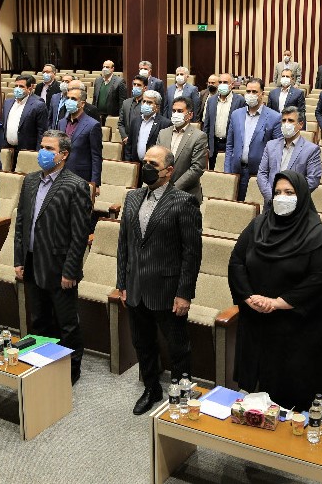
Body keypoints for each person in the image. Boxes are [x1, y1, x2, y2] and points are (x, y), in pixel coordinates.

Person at [228, 171, 322, 410]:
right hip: (257, 319)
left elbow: (319, 281)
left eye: (289, 193)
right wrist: (248, 297)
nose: (281, 197)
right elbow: (237, 261)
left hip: (296, 328)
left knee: (289, 400)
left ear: (302, 197)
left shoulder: (319, 238)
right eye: (277, 192)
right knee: (254, 394)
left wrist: (276, 303)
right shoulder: (259, 225)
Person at [116, 145, 202, 415]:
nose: (147, 168)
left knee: (178, 347)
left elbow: (191, 254)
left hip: (167, 289)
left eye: (153, 164)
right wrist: (122, 284)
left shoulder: (184, 202)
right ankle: (152, 388)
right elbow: (124, 245)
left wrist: (184, 293)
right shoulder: (132, 197)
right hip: (136, 287)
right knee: (142, 343)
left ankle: (181, 393)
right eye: (145, 162)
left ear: (169, 170)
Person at [14, 131, 93, 384]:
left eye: (49, 149)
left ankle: (71, 370)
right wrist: (18, 259)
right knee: (38, 319)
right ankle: (43, 361)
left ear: (64, 154)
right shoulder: (30, 180)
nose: (43, 152)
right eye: (42, 147)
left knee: (67, 323)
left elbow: (79, 235)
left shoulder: (76, 185)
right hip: (31, 261)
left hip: (60, 267)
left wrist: (71, 270)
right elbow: (21, 223)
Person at [224, 79, 281, 201]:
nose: (251, 94)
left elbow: (277, 151)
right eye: (248, 91)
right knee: (234, 206)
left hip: (259, 174)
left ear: (262, 94)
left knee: (253, 208)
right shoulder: (236, 114)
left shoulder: (274, 117)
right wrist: (227, 171)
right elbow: (229, 146)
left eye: (254, 92)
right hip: (236, 171)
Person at [257, 106, 321, 206]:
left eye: (290, 120)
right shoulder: (270, 145)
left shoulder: (311, 150)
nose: (286, 124)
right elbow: (262, 174)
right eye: (284, 120)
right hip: (271, 204)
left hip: (296, 205)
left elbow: (313, 180)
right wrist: (272, 197)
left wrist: (290, 197)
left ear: (300, 124)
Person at [156, 97, 207, 202]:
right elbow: (156, 160)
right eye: (174, 111)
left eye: (180, 111)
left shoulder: (199, 136)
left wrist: (173, 189)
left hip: (186, 194)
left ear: (190, 115)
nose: (176, 114)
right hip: (161, 190)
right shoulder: (163, 133)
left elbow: (197, 168)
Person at [59, 82, 103, 195]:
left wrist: (95, 183)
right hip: (60, 175)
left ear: (82, 104)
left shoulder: (93, 125)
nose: (69, 101)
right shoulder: (61, 123)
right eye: (68, 98)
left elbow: (96, 156)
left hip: (81, 176)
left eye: (73, 99)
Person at [3, 75, 48, 170]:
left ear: (29, 88)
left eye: (21, 86)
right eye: (16, 86)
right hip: (8, 149)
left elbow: (42, 132)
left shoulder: (38, 105)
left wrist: (37, 153)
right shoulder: (7, 102)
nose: (17, 89)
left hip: (27, 150)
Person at [203, 72, 246, 171]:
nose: (222, 84)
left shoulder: (240, 101)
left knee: (229, 172)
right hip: (214, 143)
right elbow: (207, 125)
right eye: (220, 82)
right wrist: (206, 144)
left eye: (225, 82)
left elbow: (243, 125)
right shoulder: (211, 100)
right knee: (213, 172)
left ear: (232, 84)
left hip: (230, 143)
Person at [125, 90, 170, 163]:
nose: (145, 104)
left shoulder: (165, 124)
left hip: (153, 165)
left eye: (149, 102)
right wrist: (129, 161)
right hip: (135, 164)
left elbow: (165, 149)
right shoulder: (135, 121)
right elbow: (129, 145)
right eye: (144, 101)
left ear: (157, 107)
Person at [117, 75, 147, 143]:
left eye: (139, 85)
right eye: (134, 84)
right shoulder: (126, 103)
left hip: (142, 141)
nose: (136, 86)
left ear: (145, 88)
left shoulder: (147, 104)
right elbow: (120, 123)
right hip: (127, 141)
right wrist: (124, 137)